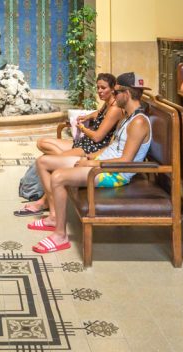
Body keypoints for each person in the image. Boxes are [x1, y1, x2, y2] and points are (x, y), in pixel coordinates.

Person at [28, 73, 153, 254]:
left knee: (58, 177)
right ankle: (54, 216)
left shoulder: (139, 122)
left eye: (116, 92)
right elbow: (110, 147)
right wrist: (91, 157)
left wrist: (93, 165)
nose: (113, 96)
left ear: (126, 93)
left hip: (115, 174)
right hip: (102, 164)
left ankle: (60, 235)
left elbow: (126, 161)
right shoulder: (127, 117)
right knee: (44, 162)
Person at [15, 74, 122, 215]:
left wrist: (83, 128)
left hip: (92, 148)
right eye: (98, 88)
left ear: (113, 88)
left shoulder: (115, 109)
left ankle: (44, 202)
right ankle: (64, 161)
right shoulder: (108, 103)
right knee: (42, 143)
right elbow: (100, 114)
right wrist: (88, 116)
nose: (100, 91)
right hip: (85, 143)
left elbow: (97, 137)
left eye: (103, 88)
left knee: (53, 161)